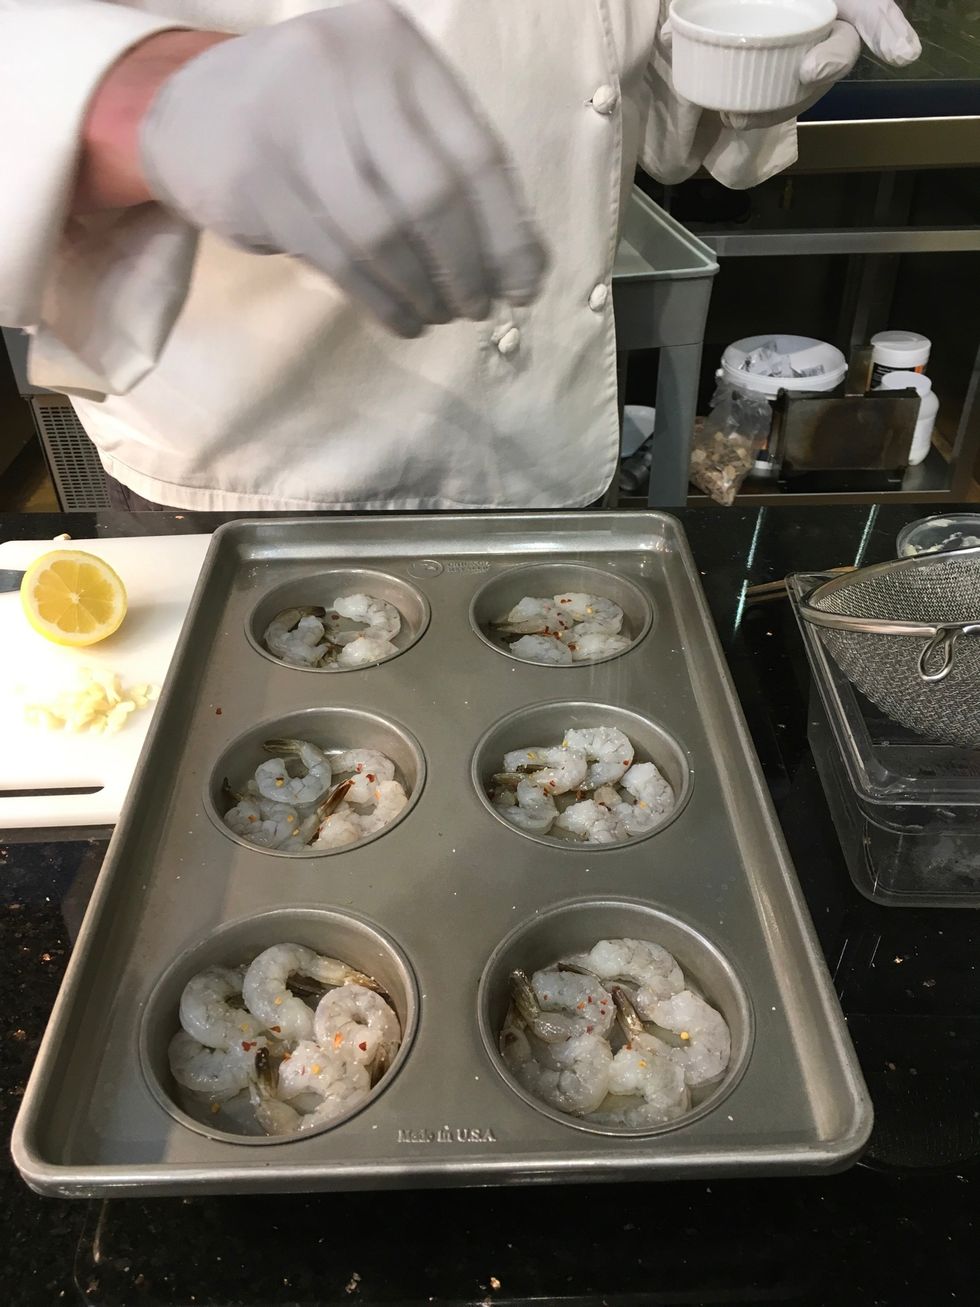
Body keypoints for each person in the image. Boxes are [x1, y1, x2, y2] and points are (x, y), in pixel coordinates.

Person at [0, 0, 919, 512]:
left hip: (550, 438)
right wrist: (127, 92)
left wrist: (746, 35)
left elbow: (648, 90)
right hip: (241, 455)